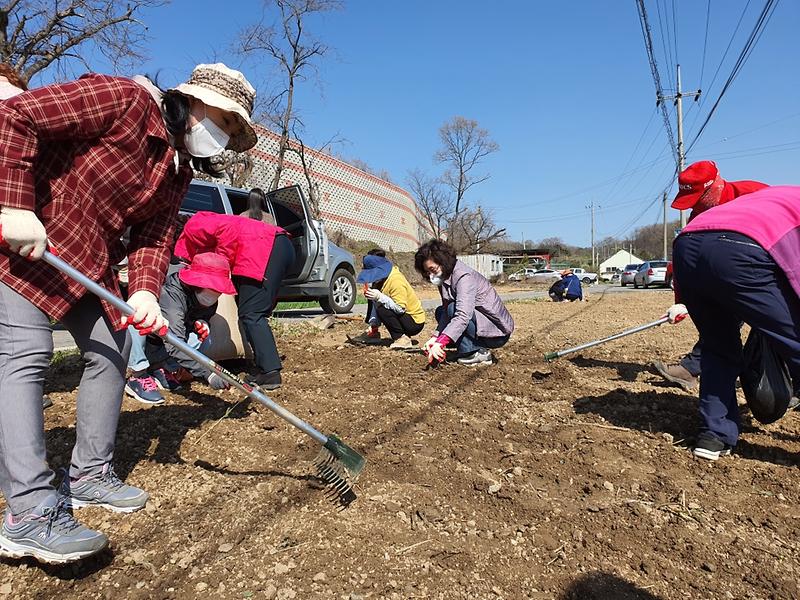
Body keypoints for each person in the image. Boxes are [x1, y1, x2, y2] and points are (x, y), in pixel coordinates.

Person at [0, 62, 257, 563]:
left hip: (84, 259)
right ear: (193, 101)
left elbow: (154, 238)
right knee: (26, 357)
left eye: (230, 130)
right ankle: (27, 512)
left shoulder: (177, 171)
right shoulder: (123, 102)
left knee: (113, 348)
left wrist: (143, 291)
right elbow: (15, 118)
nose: (220, 136)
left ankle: (90, 474)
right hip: (23, 243)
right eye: (222, 120)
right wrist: (14, 206)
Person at [670, 185, 800, 460]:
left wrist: (681, 299)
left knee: (718, 348)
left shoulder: (772, 197)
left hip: (687, 246)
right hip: (741, 247)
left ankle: (713, 436)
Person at [654, 161, 768, 391]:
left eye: (698, 198)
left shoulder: (754, 194)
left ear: (714, 186)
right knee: (720, 318)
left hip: (773, 265)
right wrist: (682, 302)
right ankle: (694, 368)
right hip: (734, 278)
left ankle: (786, 382)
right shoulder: (698, 218)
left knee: (777, 325)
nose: (693, 206)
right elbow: (686, 262)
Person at [173, 211, 294, 390]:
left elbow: (226, 235)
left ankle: (270, 373)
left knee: (251, 314)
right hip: (276, 246)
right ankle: (264, 367)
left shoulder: (194, 225)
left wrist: (221, 268)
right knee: (252, 312)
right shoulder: (201, 225)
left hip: (266, 247)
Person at [141, 252, 236, 393]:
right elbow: (174, 342)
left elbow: (204, 315)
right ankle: (138, 375)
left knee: (201, 339)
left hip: (164, 346)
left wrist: (202, 322)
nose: (216, 294)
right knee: (137, 331)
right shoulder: (171, 297)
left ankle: (162, 367)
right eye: (212, 288)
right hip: (147, 342)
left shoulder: (207, 298)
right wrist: (208, 373)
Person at [415, 239, 514, 366]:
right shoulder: (444, 277)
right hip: (477, 324)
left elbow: (463, 315)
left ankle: (476, 353)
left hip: (496, 332)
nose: (430, 276)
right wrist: (435, 338)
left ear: (443, 261)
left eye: (432, 270)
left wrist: (442, 341)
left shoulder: (464, 277)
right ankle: (471, 349)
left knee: (453, 309)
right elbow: (446, 312)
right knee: (442, 311)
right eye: (427, 272)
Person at [349, 254, 425, 349]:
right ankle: (373, 332)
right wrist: (373, 324)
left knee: (382, 308)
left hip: (414, 322)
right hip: (403, 317)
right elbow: (375, 304)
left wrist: (380, 297)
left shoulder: (396, 281)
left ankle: (401, 339)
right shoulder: (379, 282)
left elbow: (400, 309)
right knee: (373, 297)